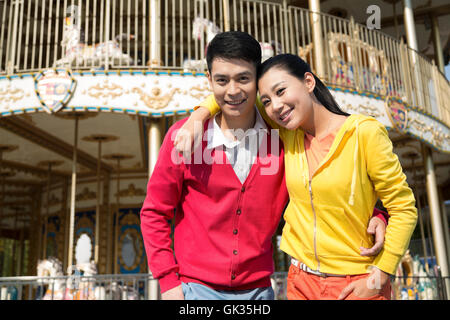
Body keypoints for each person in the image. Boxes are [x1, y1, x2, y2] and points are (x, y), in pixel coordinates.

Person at [141, 31, 388, 301]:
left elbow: (323, 185)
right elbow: (154, 212)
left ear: (257, 80)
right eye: (222, 80)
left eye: (244, 79)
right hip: (193, 290)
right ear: (209, 80)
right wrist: (168, 283)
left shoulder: (285, 136)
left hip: (259, 292)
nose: (233, 91)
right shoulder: (184, 139)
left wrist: (376, 213)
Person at [181, 51, 417, 300]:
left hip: (354, 283)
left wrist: (380, 275)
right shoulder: (288, 135)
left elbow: (404, 208)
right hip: (300, 284)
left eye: (281, 91)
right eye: (268, 101)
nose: (276, 107)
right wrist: (199, 115)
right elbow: (236, 96)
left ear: (308, 82)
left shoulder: (364, 133)